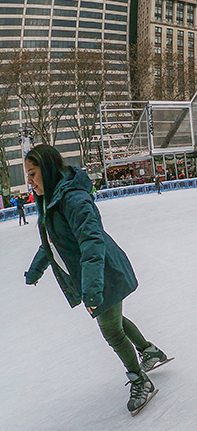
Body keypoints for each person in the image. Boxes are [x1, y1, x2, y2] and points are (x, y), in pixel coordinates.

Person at [22, 145, 170, 416]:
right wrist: (35, 272)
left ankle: (140, 380)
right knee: (117, 321)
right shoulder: (53, 199)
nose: (29, 181)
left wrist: (92, 289)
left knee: (112, 330)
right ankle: (150, 352)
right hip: (96, 274)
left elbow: (91, 243)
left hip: (103, 272)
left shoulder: (74, 199)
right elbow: (50, 243)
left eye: (32, 173)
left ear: (49, 170)